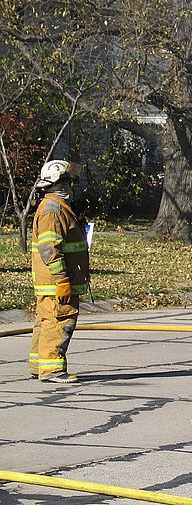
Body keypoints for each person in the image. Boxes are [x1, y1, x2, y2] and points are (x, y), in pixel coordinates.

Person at [28, 160, 90, 383]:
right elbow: (49, 250)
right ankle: (52, 369)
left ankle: (39, 364)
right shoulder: (52, 211)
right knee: (60, 319)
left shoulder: (57, 208)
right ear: (59, 184)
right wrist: (62, 280)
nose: (72, 188)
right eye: (70, 183)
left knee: (46, 321)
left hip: (51, 281)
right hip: (57, 282)